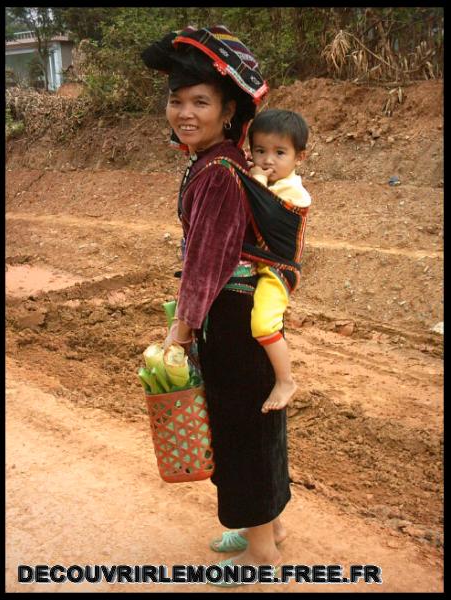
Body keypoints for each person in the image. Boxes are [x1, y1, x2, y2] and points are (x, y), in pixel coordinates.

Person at [141, 26, 290, 584]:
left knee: (240, 431)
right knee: (259, 424)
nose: (185, 111)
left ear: (228, 110)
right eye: (177, 100)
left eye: (200, 101)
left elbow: (207, 262)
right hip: (238, 315)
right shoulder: (214, 161)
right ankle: (268, 527)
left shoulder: (221, 172)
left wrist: (180, 331)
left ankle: (262, 557)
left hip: (229, 318)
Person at [247, 109, 311, 414]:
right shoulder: (275, 184)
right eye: (260, 151)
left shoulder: (294, 192)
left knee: (263, 323)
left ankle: (286, 380)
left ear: (300, 157)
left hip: (279, 271)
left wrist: (255, 181)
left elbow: (263, 210)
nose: (267, 160)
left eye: (279, 152)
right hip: (263, 265)